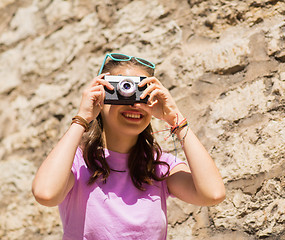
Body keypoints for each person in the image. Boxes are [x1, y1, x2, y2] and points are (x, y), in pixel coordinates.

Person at [32, 53, 226, 239]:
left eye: (141, 93)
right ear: (101, 95)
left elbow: (213, 194)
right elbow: (45, 194)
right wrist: (82, 118)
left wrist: (176, 118)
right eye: (122, 91)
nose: (134, 103)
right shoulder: (77, 162)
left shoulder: (159, 166)